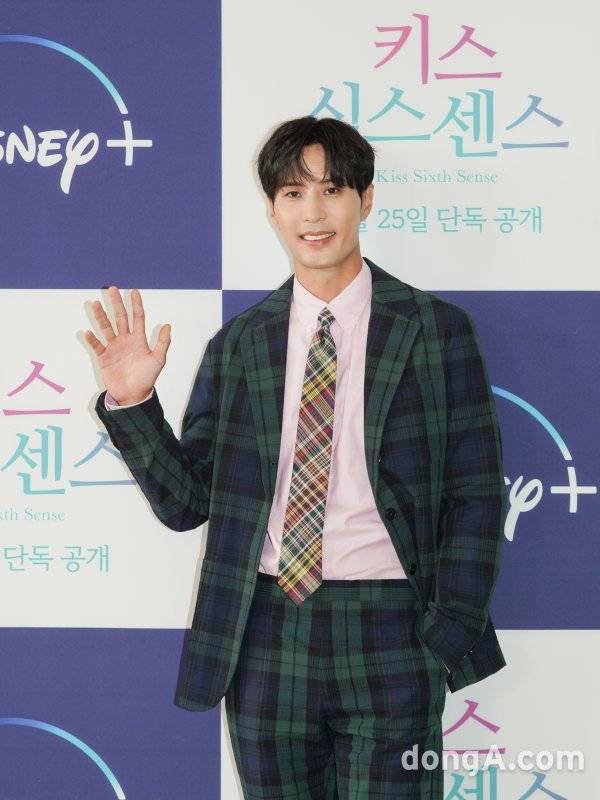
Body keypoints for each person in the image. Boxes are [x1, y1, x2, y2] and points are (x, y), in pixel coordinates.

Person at [85, 116, 507, 799]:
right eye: (292, 193)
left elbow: (477, 493)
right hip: (264, 630)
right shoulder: (241, 344)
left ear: (366, 201)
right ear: (273, 209)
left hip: (393, 627)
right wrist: (133, 403)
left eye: (332, 190)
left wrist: (448, 626)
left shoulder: (435, 331)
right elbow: (187, 504)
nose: (313, 212)